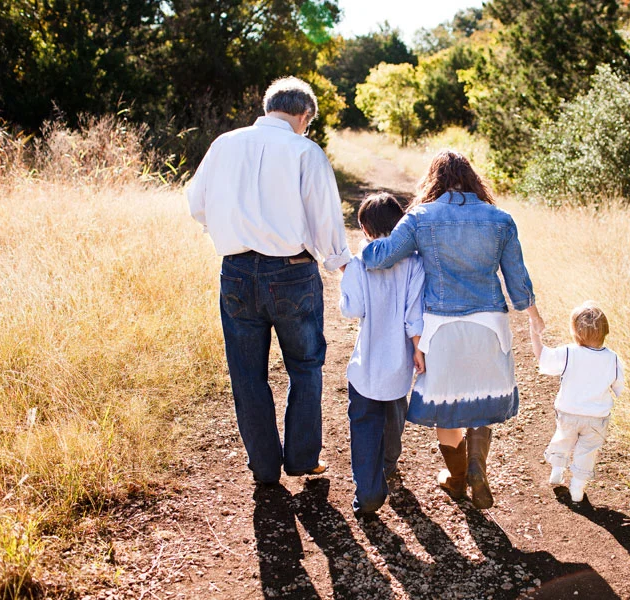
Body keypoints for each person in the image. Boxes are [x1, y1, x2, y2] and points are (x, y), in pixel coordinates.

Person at [186, 76, 351, 485]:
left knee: (247, 375)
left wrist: (232, 231)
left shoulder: (223, 143)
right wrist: (339, 263)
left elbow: (196, 204)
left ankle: (263, 467)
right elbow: (324, 216)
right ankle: (301, 459)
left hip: (236, 271)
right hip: (292, 272)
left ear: (268, 107)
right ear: (303, 116)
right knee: (306, 367)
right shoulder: (304, 150)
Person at [361, 150, 544, 510]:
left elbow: (383, 256)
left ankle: (458, 479)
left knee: (446, 403)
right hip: (489, 324)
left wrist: (359, 252)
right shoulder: (500, 218)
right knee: (482, 394)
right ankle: (477, 465)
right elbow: (517, 279)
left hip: (440, 327)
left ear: (435, 180)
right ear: (472, 178)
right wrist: (533, 314)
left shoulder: (420, 218)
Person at [340, 193, 426, 516]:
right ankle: (388, 465)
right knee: (394, 419)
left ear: (365, 227)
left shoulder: (360, 263)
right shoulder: (415, 263)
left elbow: (353, 309)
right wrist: (418, 350)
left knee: (364, 425)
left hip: (366, 368)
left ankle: (370, 492)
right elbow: (414, 316)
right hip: (398, 367)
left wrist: (346, 280)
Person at [529, 301, 626, 502]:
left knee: (563, 439)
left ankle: (557, 470)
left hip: (568, 413)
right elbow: (618, 388)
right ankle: (577, 489)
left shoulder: (568, 352)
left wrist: (535, 334)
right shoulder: (613, 359)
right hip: (597, 418)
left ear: (575, 332)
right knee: (587, 453)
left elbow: (543, 359)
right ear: (605, 331)